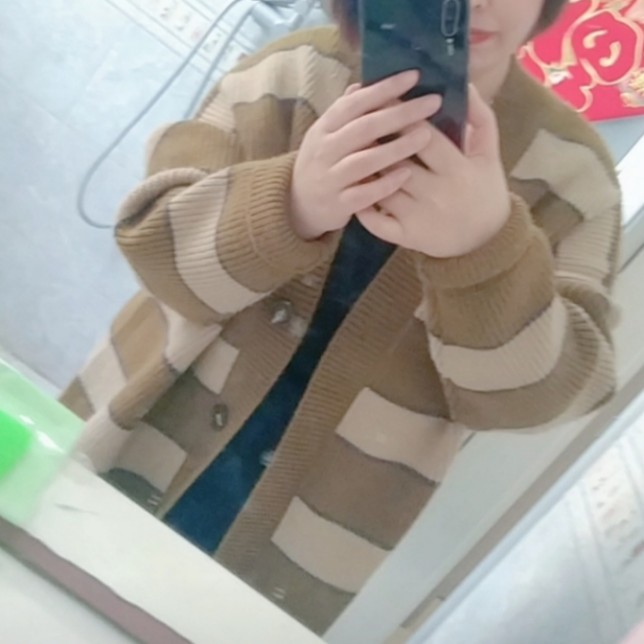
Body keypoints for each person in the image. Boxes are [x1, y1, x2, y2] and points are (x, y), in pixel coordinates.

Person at [61, 0, 622, 633]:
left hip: (296, 553)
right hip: (121, 444)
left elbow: (540, 400)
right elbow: (154, 244)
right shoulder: (289, 74)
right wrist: (293, 201)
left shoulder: (575, 180)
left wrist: (483, 249)